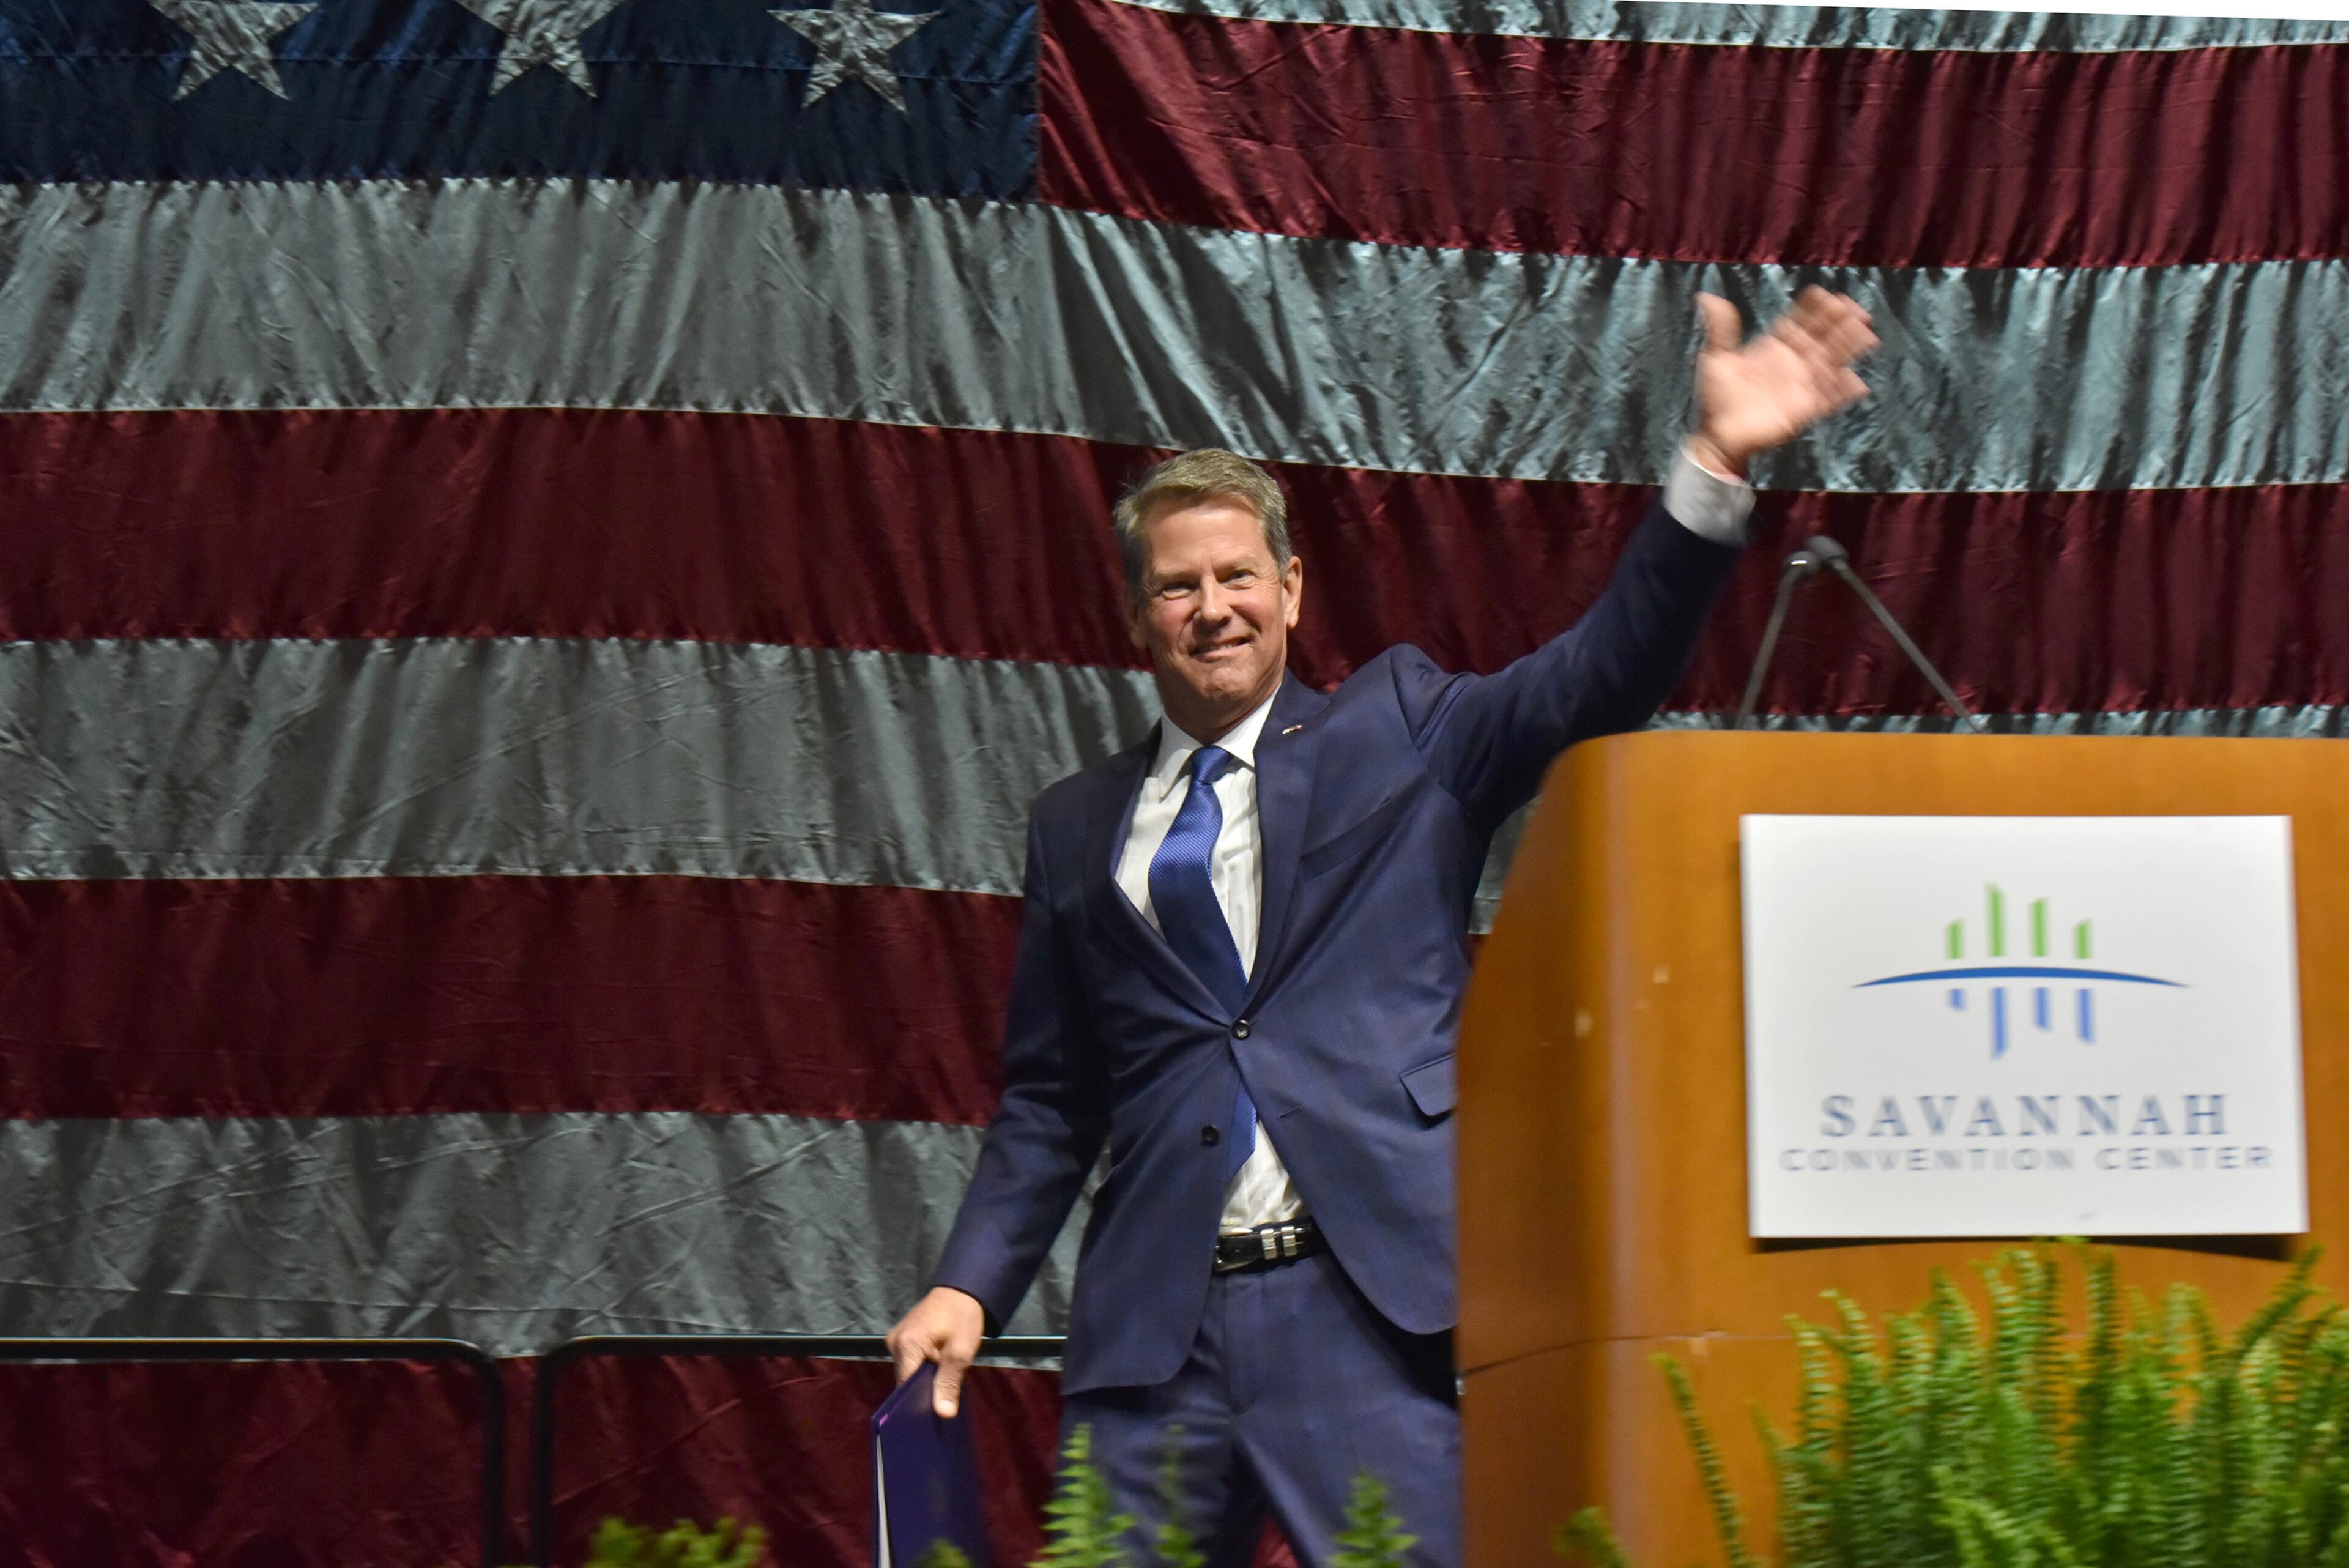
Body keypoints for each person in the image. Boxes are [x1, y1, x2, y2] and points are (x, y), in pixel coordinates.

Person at [886, 289, 1879, 1567]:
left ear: (1292, 588)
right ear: (1138, 619)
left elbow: (1600, 676)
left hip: (1358, 1312)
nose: (1213, 607)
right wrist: (970, 1280)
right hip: (1149, 1339)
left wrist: (1715, 465)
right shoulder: (1077, 826)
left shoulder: (1401, 729)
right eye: (1178, 586)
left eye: (1238, 574)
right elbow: (1049, 1097)